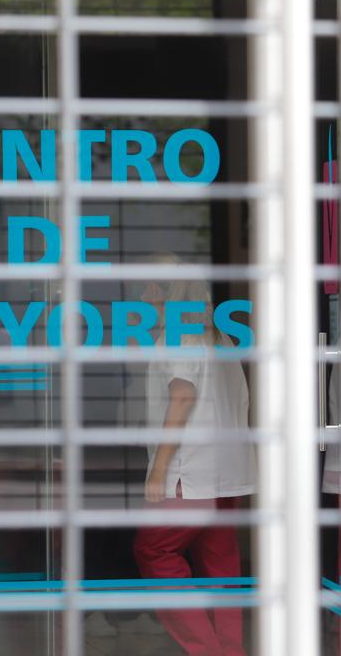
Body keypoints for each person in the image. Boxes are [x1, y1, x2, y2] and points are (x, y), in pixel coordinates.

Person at [132, 259, 256, 656]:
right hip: (228, 469)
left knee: (154, 550)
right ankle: (230, 650)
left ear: (167, 294)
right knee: (221, 563)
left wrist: (160, 469)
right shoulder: (221, 339)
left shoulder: (178, 338)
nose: (141, 296)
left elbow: (182, 398)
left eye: (149, 288)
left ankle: (206, 649)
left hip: (192, 472)